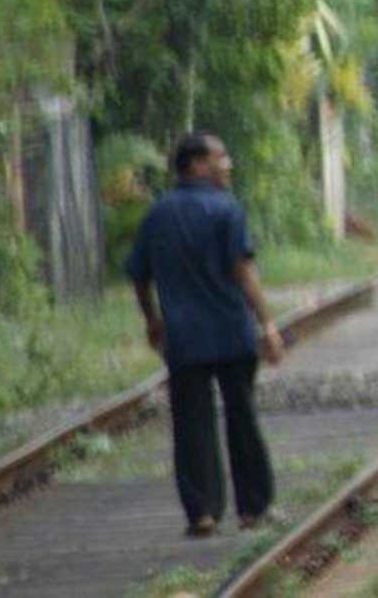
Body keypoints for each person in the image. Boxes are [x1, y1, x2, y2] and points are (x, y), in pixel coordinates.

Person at [128, 132, 286, 537]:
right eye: (221, 157)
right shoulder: (225, 208)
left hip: (184, 338)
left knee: (191, 425)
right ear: (198, 164)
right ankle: (253, 508)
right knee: (241, 417)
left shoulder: (157, 214)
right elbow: (243, 271)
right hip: (231, 331)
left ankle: (202, 512)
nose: (227, 164)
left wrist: (152, 320)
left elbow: (139, 275)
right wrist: (267, 324)